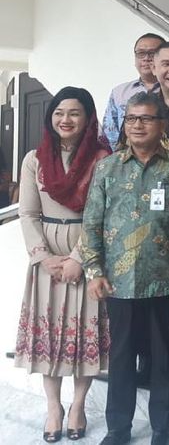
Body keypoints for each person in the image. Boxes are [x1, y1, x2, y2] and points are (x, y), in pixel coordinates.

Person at [81, 92, 169, 445]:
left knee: (164, 360)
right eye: (131, 118)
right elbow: (91, 223)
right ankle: (118, 428)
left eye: (146, 118)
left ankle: (162, 429)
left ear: (162, 124)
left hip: (166, 280)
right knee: (121, 358)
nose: (137, 125)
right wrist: (94, 271)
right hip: (119, 282)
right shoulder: (108, 167)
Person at [14, 87, 111, 443]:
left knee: (84, 334)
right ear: (50, 117)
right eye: (59, 112)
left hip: (88, 253)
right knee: (49, 335)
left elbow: (104, 214)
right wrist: (43, 257)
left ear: (88, 118)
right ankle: (53, 407)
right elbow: (27, 212)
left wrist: (79, 259)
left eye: (74, 113)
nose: (65, 119)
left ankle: (78, 406)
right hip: (46, 260)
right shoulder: (35, 159)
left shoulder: (102, 159)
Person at [102, 33, 164, 146]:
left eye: (152, 53)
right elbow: (110, 135)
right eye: (141, 53)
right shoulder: (119, 92)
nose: (146, 58)